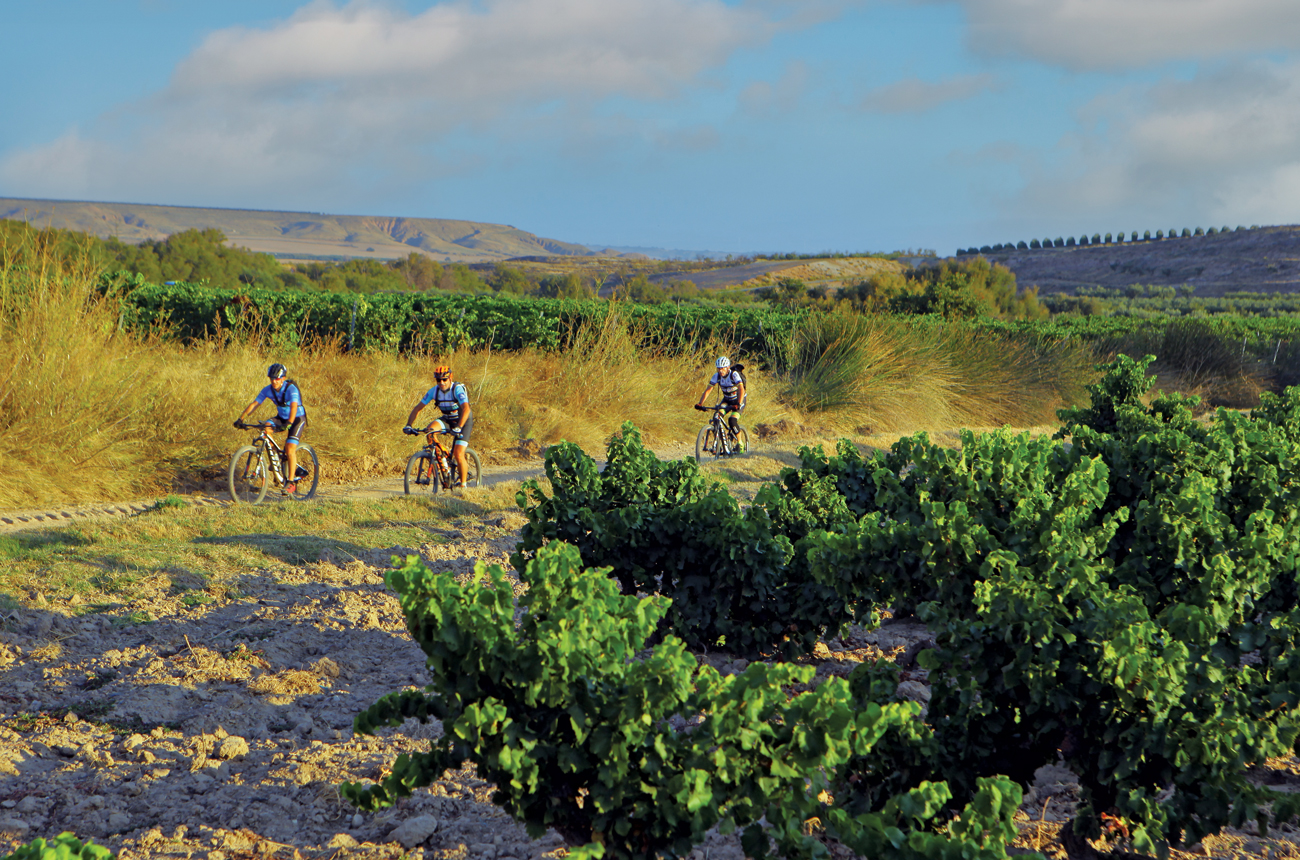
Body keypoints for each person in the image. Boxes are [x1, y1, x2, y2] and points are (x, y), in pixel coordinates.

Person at [234, 363, 308, 494]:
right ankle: (276, 460)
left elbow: (294, 407)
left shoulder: (291, 389)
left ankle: (290, 483)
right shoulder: (267, 389)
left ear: (283, 378)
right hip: (282, 417)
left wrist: (289, 422)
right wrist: (241, 418)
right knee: (266, 426)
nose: (274, 381)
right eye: (272, 378)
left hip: (296, 419)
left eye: (277, 379)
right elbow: (255, 404)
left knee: (290, 448)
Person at [404, 364, 474, 489]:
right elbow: (418, 408)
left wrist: (459, 426)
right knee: (430, 432)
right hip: (447, 419)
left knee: (458, 454)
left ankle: (463, 486)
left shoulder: (457, 389)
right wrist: (409, 425)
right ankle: (443, 462)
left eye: (444, 379)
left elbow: (466, 409)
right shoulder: (434, 391)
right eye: (438, 380)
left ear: (450, 378)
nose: (441, 383)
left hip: (463, 420)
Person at [695, 356, 746, 450]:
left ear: (728, 367)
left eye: (722, 368)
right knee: (716, 417)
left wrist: (738, 403)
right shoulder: (717, 376)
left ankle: (740, 443)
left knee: (732, 421)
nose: (720, 370)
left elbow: (741, 389)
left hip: (738, 400)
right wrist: (700, 403)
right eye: (718, 368)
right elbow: (708, 390)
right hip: (727, 400)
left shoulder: (734, 375)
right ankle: (722, 441)